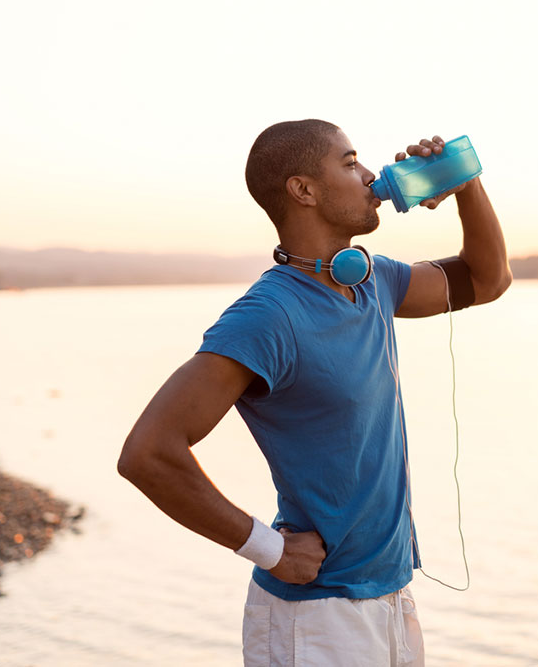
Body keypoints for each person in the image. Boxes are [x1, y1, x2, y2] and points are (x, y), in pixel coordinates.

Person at [117, 119, 510, 666]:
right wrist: (269, 549)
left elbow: (487, 280)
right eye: (350, 163)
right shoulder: (267, 317)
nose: (372, 174)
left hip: (392, 597)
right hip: (318, 621)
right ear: (303, 190)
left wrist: (465, 183)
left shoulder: (371, 279)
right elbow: (148, 454)